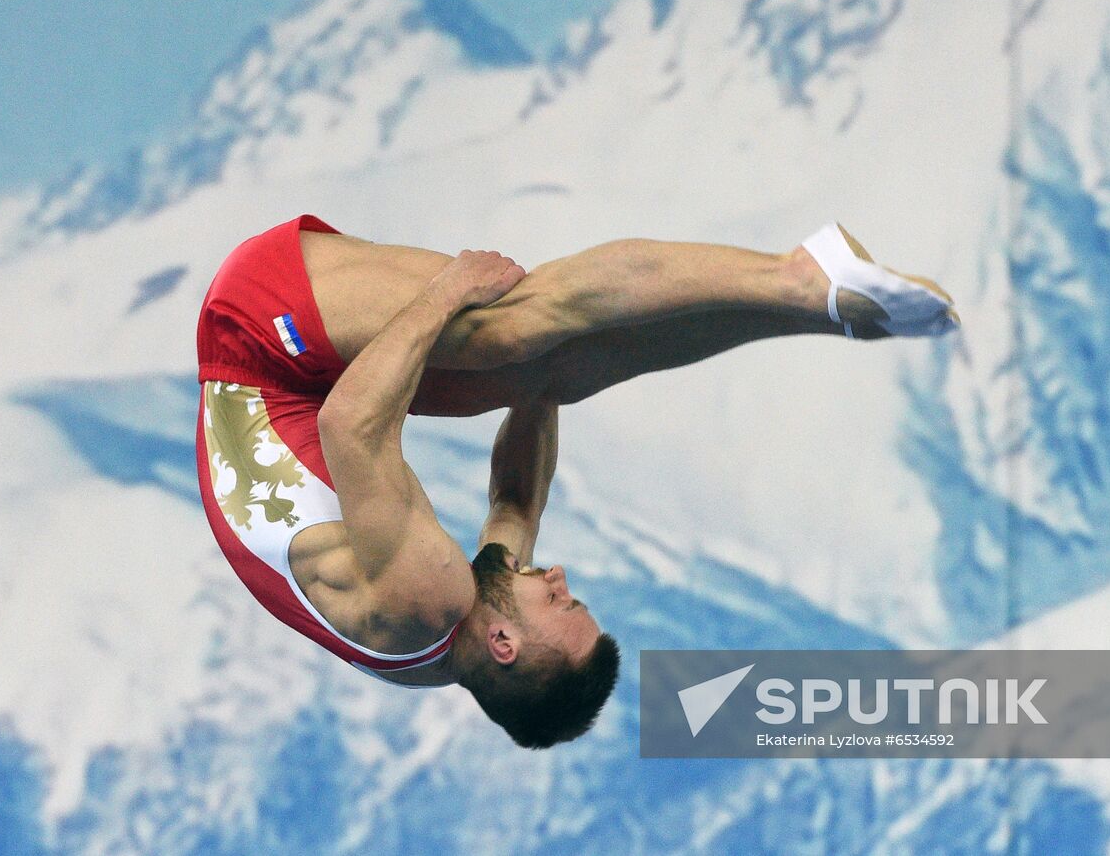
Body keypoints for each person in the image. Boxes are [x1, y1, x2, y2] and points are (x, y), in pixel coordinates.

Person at [195, 214, 956, 748]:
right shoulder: (460, 647)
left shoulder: (426, 601)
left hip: (252, 340)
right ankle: (821, 309)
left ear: (503, 642)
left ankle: (797, 274)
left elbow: (352, 424)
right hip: (313, 389)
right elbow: (515, 499)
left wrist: (449, 293)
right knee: (551, 367)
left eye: (558, 598)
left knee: (508, 326)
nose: (555, 573)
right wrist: (549, 385)